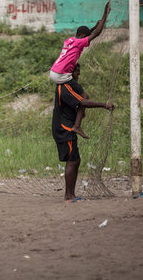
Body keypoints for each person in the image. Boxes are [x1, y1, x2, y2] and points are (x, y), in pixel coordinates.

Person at [52, 64, 114, 202]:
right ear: (70, 73)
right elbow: (82, 102)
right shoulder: (64, 88)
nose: (78, 76)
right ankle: (68, 196)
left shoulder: (71, 85)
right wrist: (104, 105)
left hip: (68, 127)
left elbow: (83, 95)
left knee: (76, 160)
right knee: (72, 160)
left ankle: (77, 126)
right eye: (77, 73)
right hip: (64, 129)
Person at [49, 1, 110, 138]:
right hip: (61, 75)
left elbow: (88, 34)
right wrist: (105, 15)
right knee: (83, 100)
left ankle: (78, 122)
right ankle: (77, 123)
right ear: (83, 37)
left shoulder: (69, 40)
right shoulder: (78, 43)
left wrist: (94, 25)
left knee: (84, 95)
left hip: (54, 71)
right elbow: (97, 34)